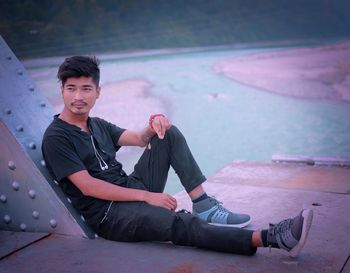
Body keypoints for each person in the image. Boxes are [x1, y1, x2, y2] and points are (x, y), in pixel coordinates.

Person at [41, 55, 313, 257]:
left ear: (97, 92)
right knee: (179, 223)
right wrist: (148, 196)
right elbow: (88, 187)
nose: (78, 96)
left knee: (167, 134)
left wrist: (155, 121)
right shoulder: (56, 137)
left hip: (129, 189)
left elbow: (137, 139)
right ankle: (272, 238)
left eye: (86, 88)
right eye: (71, 88)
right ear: (62, 91)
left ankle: (204, 205)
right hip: (110, 216)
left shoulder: (97, 124)